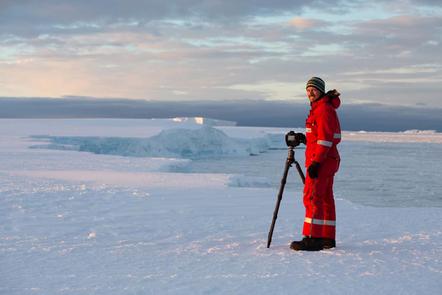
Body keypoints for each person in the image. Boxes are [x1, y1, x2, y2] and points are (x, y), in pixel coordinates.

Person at [290, 77, 341, 251]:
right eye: (308, 90)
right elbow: (321, 138)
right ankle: (327, 237)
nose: (310, 93)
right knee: (325, 198)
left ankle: (313, 237)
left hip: (322, 161)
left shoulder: (323, 110)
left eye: (314, 89)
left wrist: (316, 163)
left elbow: (326, 140)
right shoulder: (320, 109)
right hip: (328, 159)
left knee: (312, 198)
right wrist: (305, 139)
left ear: (321, 90)